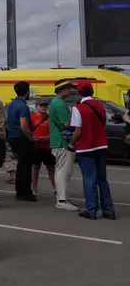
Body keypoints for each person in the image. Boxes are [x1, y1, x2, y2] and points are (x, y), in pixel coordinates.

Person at [68, 83, 116, 220]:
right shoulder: (100, 106)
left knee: (89, 179)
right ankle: (108, 210)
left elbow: (78, 130)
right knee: (102, 180)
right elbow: (103, 124)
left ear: (79, 94)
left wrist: (71, 144)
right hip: (101, 145)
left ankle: (91, 210)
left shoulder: (78, 108)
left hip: (86, 147)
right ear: (92, 91)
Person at [47, 80, 80, 212]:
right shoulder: (60, 104)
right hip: (62, 141)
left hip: (58, 140)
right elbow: (66, 124)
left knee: (60, 170)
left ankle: (61, 197)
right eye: (70, 88)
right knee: (64, 171)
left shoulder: (55, 102)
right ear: (62, 89)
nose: (72, 91)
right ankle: (62, 200)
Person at [6, 81, 36, 202]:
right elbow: (24, 126)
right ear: (27, 91)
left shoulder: (12, 104)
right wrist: (31, 138)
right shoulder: (23, 106)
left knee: (21, 165)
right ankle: (25, 193)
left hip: (12, 137)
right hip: (21, 137)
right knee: (25, 167)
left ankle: (20, 191)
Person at [30, 99, 57, 196]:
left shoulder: (50, 119)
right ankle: (34, 188)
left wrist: (45, 138)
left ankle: (56, 188)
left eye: (45, 106)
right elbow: (28, 131)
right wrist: (33, 138)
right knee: (35, 168)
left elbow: (54, 133)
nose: (43, 107)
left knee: (51, 168)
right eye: (41, 106)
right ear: (36, 107)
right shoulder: (32, 117)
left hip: (47, 147)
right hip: (36, 147)